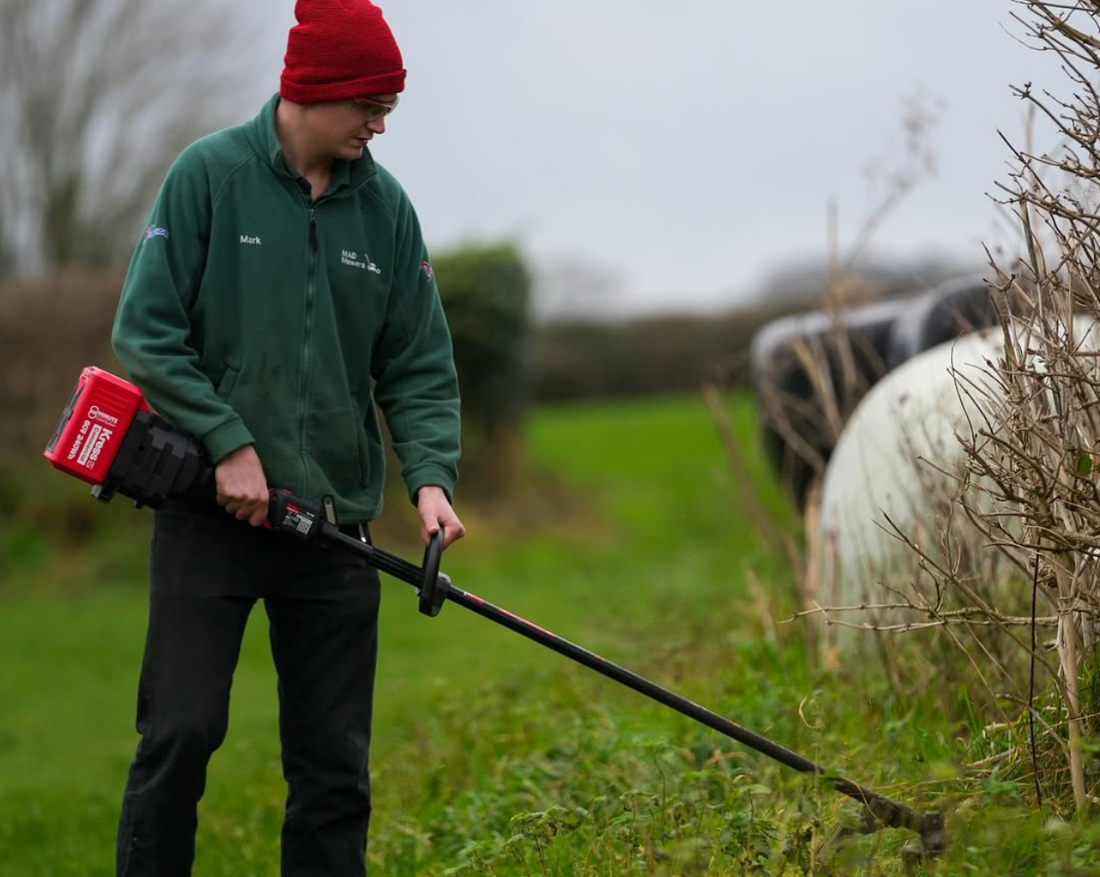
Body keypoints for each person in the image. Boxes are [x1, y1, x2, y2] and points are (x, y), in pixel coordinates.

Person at [109, 2, 464, 874]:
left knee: (334, 772)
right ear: (315, 88)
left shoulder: (385, 211)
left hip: (335, 527)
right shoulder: (209, 177)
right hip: (209, 518)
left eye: (389, 107)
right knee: (179, 740)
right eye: (370, 104)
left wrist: (429, 478)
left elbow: (417, 362)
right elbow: (146, 332)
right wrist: (228, 442)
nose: (380, 124)